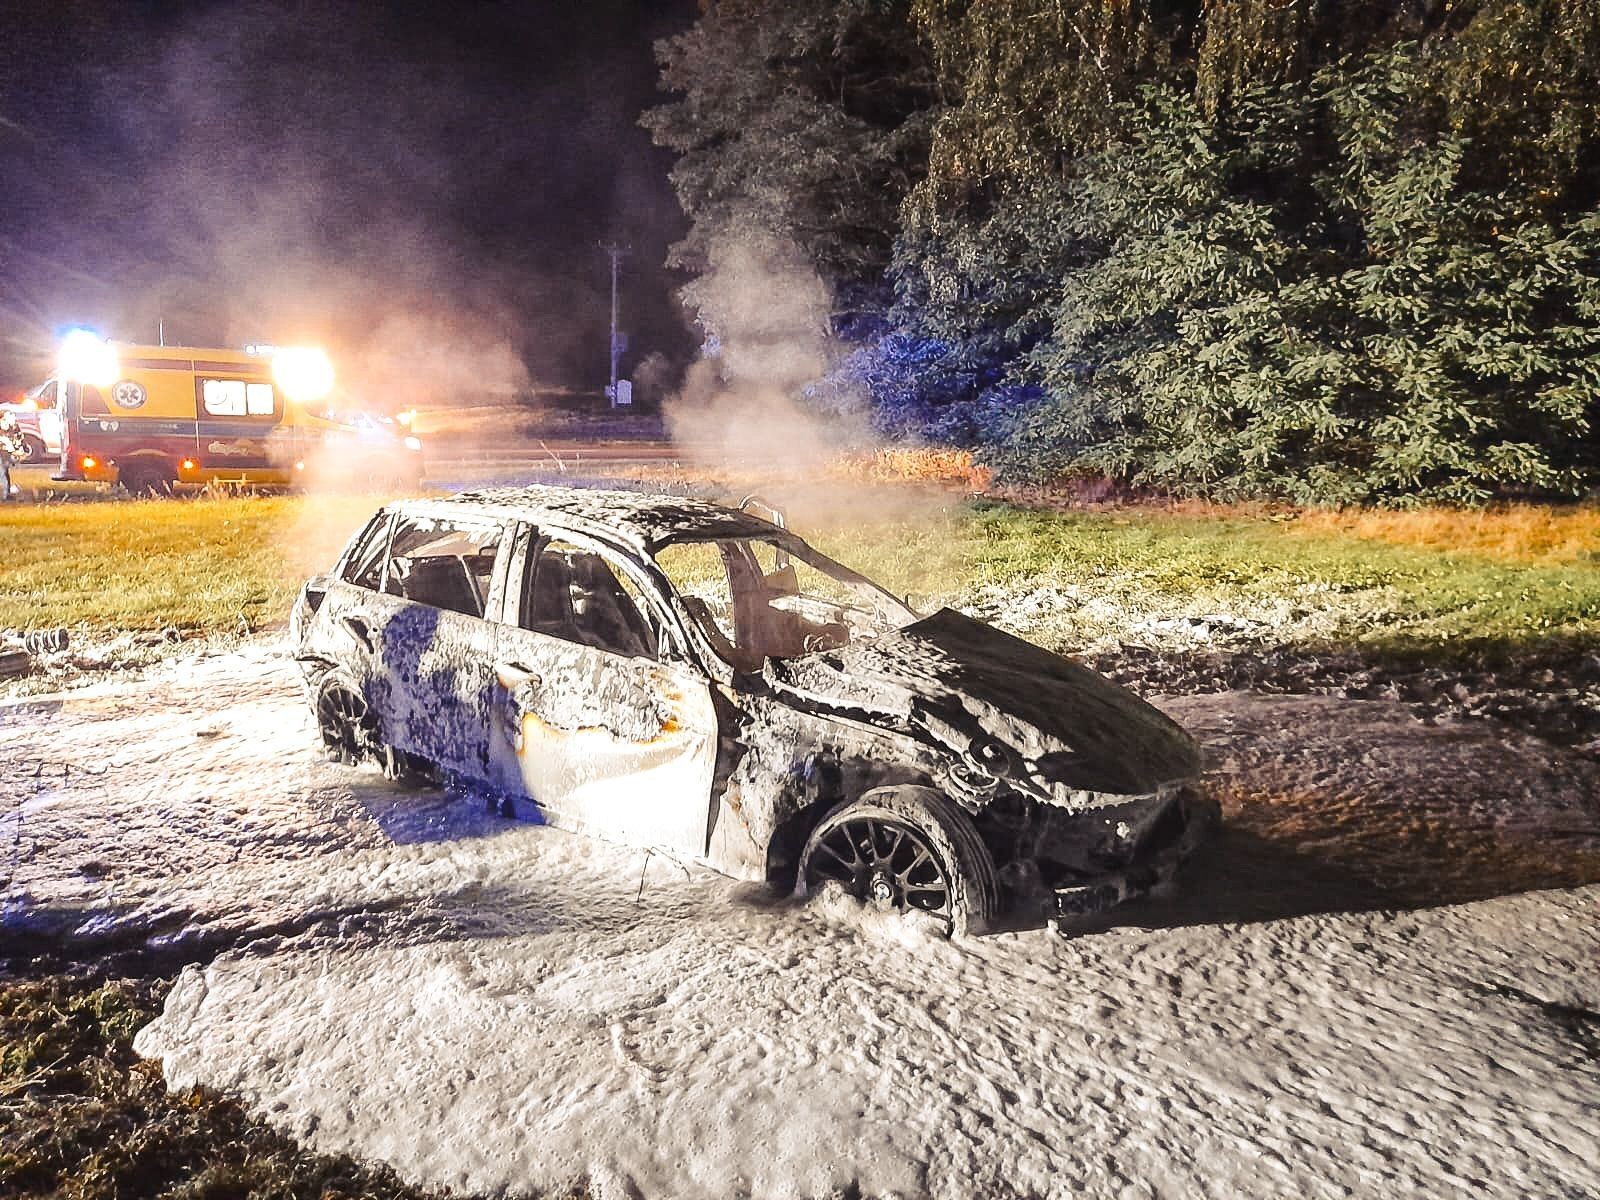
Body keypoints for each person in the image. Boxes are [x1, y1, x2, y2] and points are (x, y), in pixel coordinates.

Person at [0, 412, 22, 500]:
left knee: (4, 473)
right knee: (2, 474)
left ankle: (7, 494)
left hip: (4, 454)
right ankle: (6, 494)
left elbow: (16, 439)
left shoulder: (11, 428)